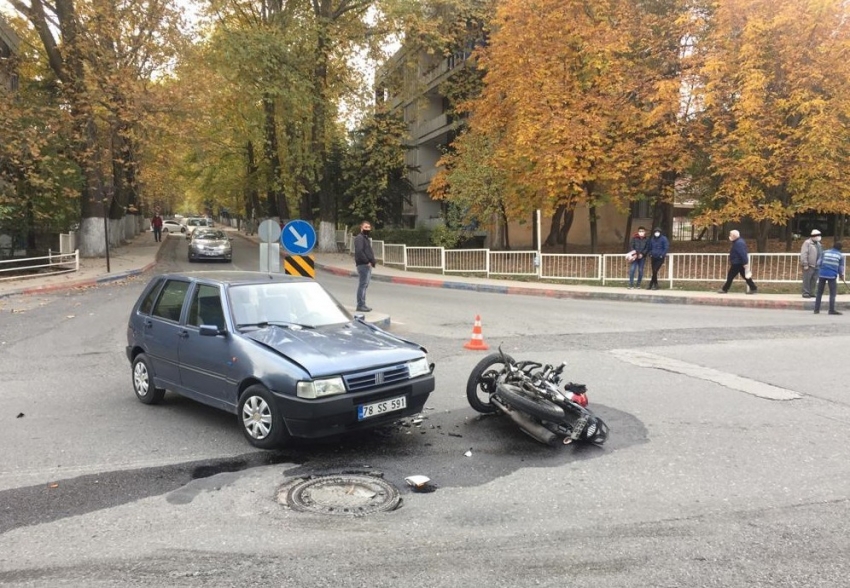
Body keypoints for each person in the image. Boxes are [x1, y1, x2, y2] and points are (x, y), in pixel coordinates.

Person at [717, 229, 758, 294]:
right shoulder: (738, 242)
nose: (729, 236)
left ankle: (725, 289)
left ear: (734, 236)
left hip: (737, 263)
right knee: (745, 276)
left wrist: (745, 263)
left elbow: (743, 253)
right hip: (739, 262)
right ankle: (753, 288)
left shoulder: (739, 243)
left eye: (730, 235)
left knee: (730, 276)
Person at [813, 241, 844, 315]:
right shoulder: (840, 256)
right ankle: (831, 310)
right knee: (832, 293)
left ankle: (816, 310)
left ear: (833, 246)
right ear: (840, 249)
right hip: (832, 276)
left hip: (822, 274)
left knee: (819, 293)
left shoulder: (824, 252)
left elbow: (818, 263)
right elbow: (840, 268)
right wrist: (841, 275)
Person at [354, 220, 376, 312]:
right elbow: (359, 252)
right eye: (365, 227)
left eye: (369, 227)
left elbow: (368, 251)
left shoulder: (365, 238)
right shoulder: (359, 238)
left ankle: (363, 304)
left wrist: (372, 261)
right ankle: (361, 305)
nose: (367, 229)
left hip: (367, 265)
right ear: (361, 228)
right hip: (363, 265)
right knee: (363, 285)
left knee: (364, 285)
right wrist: (367, 261)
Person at [799, 229, 823, 298]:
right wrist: (805, 264)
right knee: (807, 279)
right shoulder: (807, 243)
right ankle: (806, 292)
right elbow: (804, 254)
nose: (819, 237)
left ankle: (812, 292)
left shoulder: (818, 244)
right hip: (809, 265)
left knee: (814, 280)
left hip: (817, 265)